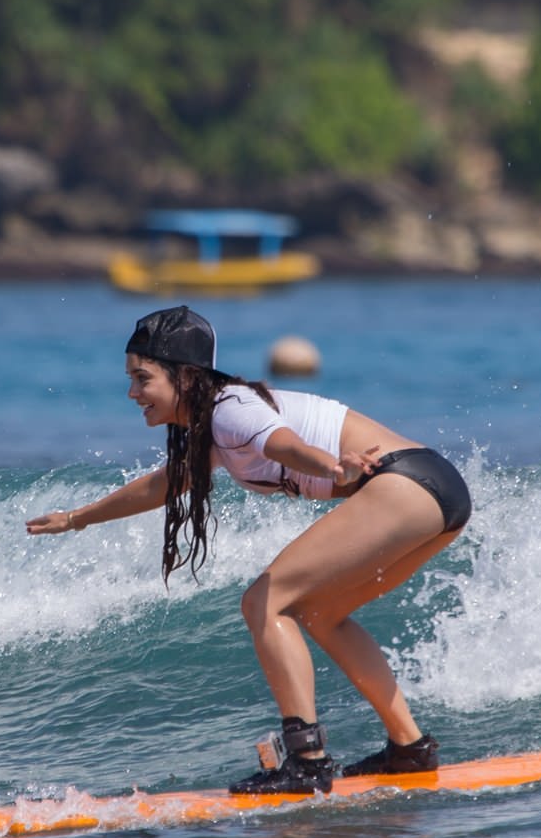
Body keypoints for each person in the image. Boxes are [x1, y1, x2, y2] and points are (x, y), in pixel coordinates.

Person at [27, 306, 472, 794]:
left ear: (186, 376)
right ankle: (409, 748)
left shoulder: (231, 408)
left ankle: (307, 761)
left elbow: (282, 446)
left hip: (405, 483)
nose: (133, 393)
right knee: (322, 613)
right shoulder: (212, 427)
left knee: (264, 600)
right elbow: (163, 486)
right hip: (438, 491)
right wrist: (76, 518)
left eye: (143, 378)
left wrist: (331, 468)